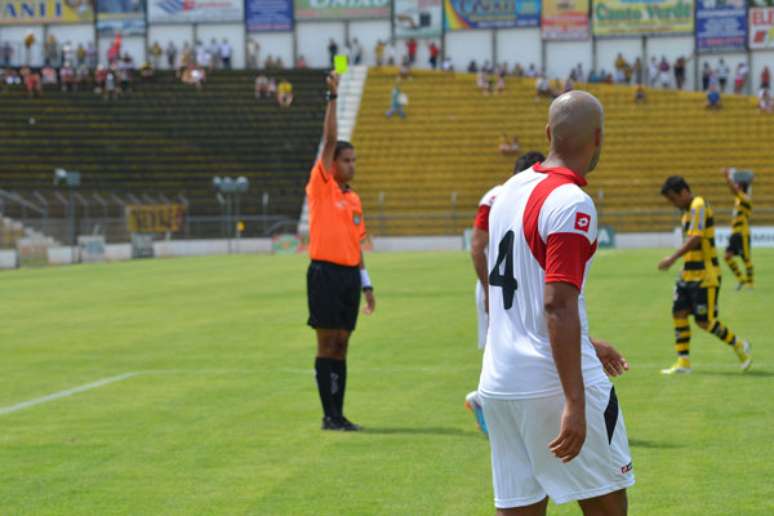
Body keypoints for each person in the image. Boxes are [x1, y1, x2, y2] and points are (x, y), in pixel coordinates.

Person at [480, 91, 633, 514]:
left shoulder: (506, 192)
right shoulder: (571, 202)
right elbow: (556, 305)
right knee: (606, 505)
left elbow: (523, 295)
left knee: (519, 508)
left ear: (548, 133)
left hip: (501, 384)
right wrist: (575, 401)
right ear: (598, 138)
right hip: (551, 383)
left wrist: (585, 340)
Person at [306, 72, 375, 431]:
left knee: (343, 343)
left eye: (354, 160)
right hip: (324, 274)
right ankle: (328, 414)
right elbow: (329, 138)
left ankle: (339, 413)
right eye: (346, 160)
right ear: (332, 163)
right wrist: (331, 97)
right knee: (327, 342)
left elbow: (357, 244)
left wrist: (367, 284)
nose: (351, 165)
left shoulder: (353, 198)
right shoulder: (322, 187)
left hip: (349, 275)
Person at [465, 151, 545, 436]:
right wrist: (488, 290)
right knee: (500, 349)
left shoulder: (515, 197)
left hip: (518, 285)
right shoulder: (499, 197)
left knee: (520, 347)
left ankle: (493, 406)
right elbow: (476, 246)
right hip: (498, 286)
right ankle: (487, 403)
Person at [658, 176, 752, 374]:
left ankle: (739, 345)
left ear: (684, 191)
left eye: (674, 199)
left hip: (705, 275)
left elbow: (696, 238)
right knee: (679, 313)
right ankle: (683, 362)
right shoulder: (686, 212)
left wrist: (672, 258)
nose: (674, 204)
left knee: (705, 322)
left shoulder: (698, 204)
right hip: (688, 274)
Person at [723, 168, 754, 289]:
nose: (735, 185)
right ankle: (741, 280)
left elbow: (734, 190)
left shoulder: (745, 198)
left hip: (742, 233)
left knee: (746, 259)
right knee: (727, 257)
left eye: (737, 184)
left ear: (741, 186)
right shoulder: (739, 199)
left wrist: (728, 178)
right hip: (735, 233)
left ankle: (750, 284)